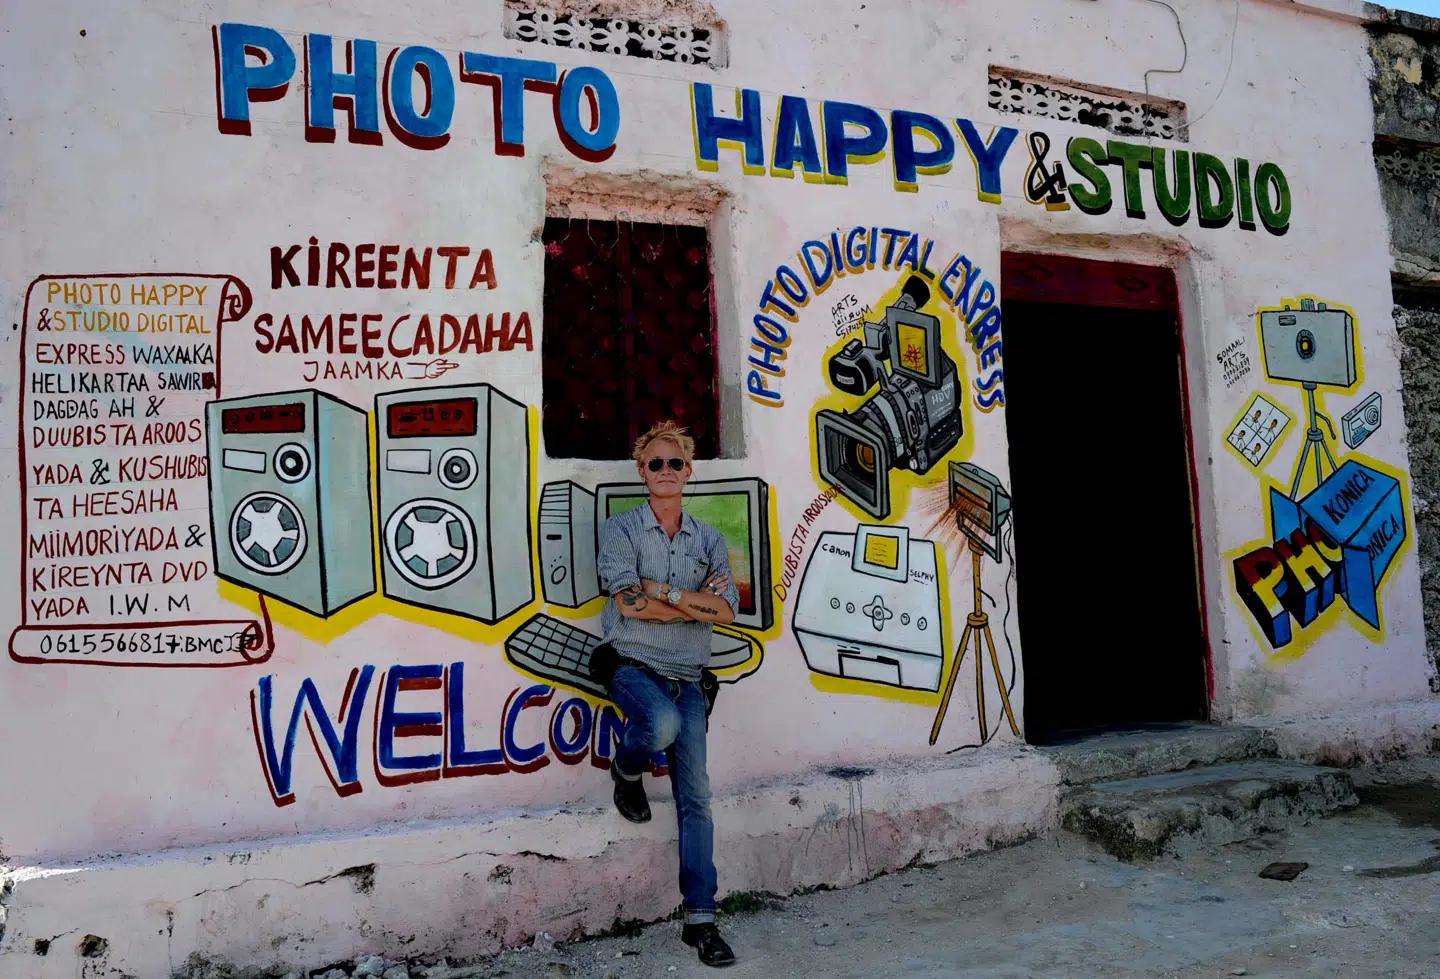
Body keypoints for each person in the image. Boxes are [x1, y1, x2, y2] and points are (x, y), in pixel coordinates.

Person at [595, 420, 740, 968]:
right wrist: (689, 602)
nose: (665, 472)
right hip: (634, 665)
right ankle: (626, 769)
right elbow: (627, 604)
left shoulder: (707, 540)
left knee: (697, 799)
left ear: (688, 471)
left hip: (690, 676)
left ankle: (700, 920)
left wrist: (663, 590)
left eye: (674, 463)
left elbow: (725, 612)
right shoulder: (622, 530)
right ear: (641, 472)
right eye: (654, 464)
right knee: (659, 725)